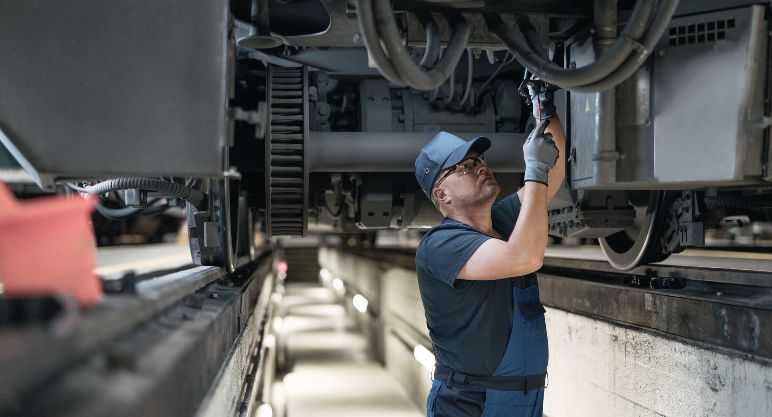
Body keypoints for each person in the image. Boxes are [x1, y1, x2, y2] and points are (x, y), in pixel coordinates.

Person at [413, 85, 565, 417]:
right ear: (443, 194)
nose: (480, 166)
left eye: (479, 159)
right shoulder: (440, 245)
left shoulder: (502, 220)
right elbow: (525, 257)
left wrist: (543, 108)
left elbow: (553, 173)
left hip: (523, 399)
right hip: (472, 404)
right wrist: (534, 170)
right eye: (464, 167)